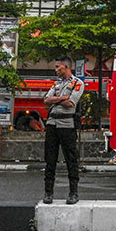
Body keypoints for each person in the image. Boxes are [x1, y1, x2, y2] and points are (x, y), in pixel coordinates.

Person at [42, 56, 85, 204]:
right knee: (50, 159)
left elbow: (70, 103)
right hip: (52, 123)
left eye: (58, 67)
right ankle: (48, 192)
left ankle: (73, 192)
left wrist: (57, 98)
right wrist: (62, 97)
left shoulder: (77, 83)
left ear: (66, 67)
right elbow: (46, 100)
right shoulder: (57, 83)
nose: (55, 70)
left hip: (67, 124)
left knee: (71, 159)